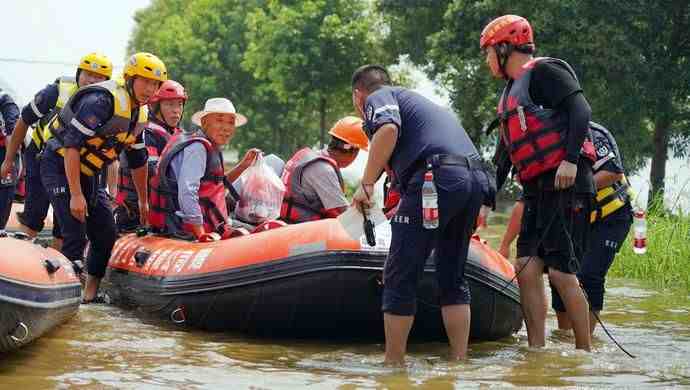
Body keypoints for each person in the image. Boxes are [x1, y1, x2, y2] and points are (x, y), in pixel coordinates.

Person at [350, 65, 493, 364]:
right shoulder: (420, 104)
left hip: (437, 178)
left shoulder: (378, 97)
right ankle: (459, 362)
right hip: (474, 181)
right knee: (451, 275)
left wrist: (365, 183)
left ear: (357, 96)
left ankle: (393, 365)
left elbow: (388, 129)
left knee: (400, 273)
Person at [481, 15, 598, 350]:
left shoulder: (545, 73)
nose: (487, 60)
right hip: (536, 189)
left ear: (505, 49)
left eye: (489, 52)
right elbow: (504, 155)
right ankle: (536, 349)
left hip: (567, 183)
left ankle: (584, 354)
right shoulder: (509, 97)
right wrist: (486, 201)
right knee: (526, 266)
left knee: (561, 272)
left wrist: (570, 160)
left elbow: (581, 110)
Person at [40, 52, 167, 302]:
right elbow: (72, 145)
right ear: (130, 79)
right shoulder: (101, 101)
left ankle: (89, 296)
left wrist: (143, 200)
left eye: (155, 84)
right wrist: (76, 195)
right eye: (145, 81)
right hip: (58, 163)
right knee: (74, 231)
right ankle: (63, 296)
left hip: (89, 173)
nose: (150, 89)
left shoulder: (139, 113)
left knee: (107, 232)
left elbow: (137, 159)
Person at [500, 123, 633, 335]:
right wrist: (505, 245)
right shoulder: (537, 145)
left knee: (589, 275)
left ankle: (585, 337)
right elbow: (523, 203)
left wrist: (570, 187)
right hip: (570, 217)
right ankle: (564, 335)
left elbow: (613, 172)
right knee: (559, 273)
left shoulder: (593, 133)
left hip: (609, 217)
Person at [0, 53, 113, 248]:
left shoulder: (110, 105)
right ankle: (20, 262)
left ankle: (59, 271)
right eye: (88, 74)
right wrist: (9, 160)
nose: (92, 80)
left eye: (99, 77)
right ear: (79, 74)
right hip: (40, 155)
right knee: (33, 219)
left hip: (73, 164)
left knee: (65, 228)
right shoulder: (57, 91)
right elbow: (24, 120)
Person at [149, 97, 260, 242]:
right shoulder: (197, 148)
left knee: (260, 229)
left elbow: (216, 184)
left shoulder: (210, 145)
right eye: (219, 120)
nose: (226, 128)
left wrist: (244, 165)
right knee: (255, 235)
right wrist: (201, 234)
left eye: (231, 122)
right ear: (204, 122)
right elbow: (187, 192)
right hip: (188, 229)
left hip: (213, 223)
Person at [114, 80, 187, 232]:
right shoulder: (146, 132)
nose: (176, 111)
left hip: (166, 210)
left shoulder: (180, 135)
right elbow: (152, 171)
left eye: (179, 104)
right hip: (135, 211)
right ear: (155, 107)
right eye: (169, 104)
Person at [280, 116, 368, 223]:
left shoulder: (310, 157)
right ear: (354, 152)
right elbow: (345, 217)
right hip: (301, 230)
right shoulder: (324, 170)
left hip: (289, 224)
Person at [0, 89, 20, 230]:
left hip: (5, 154)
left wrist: (9, 161)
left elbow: (12, 133)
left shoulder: (6, 102)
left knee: (3, 201)